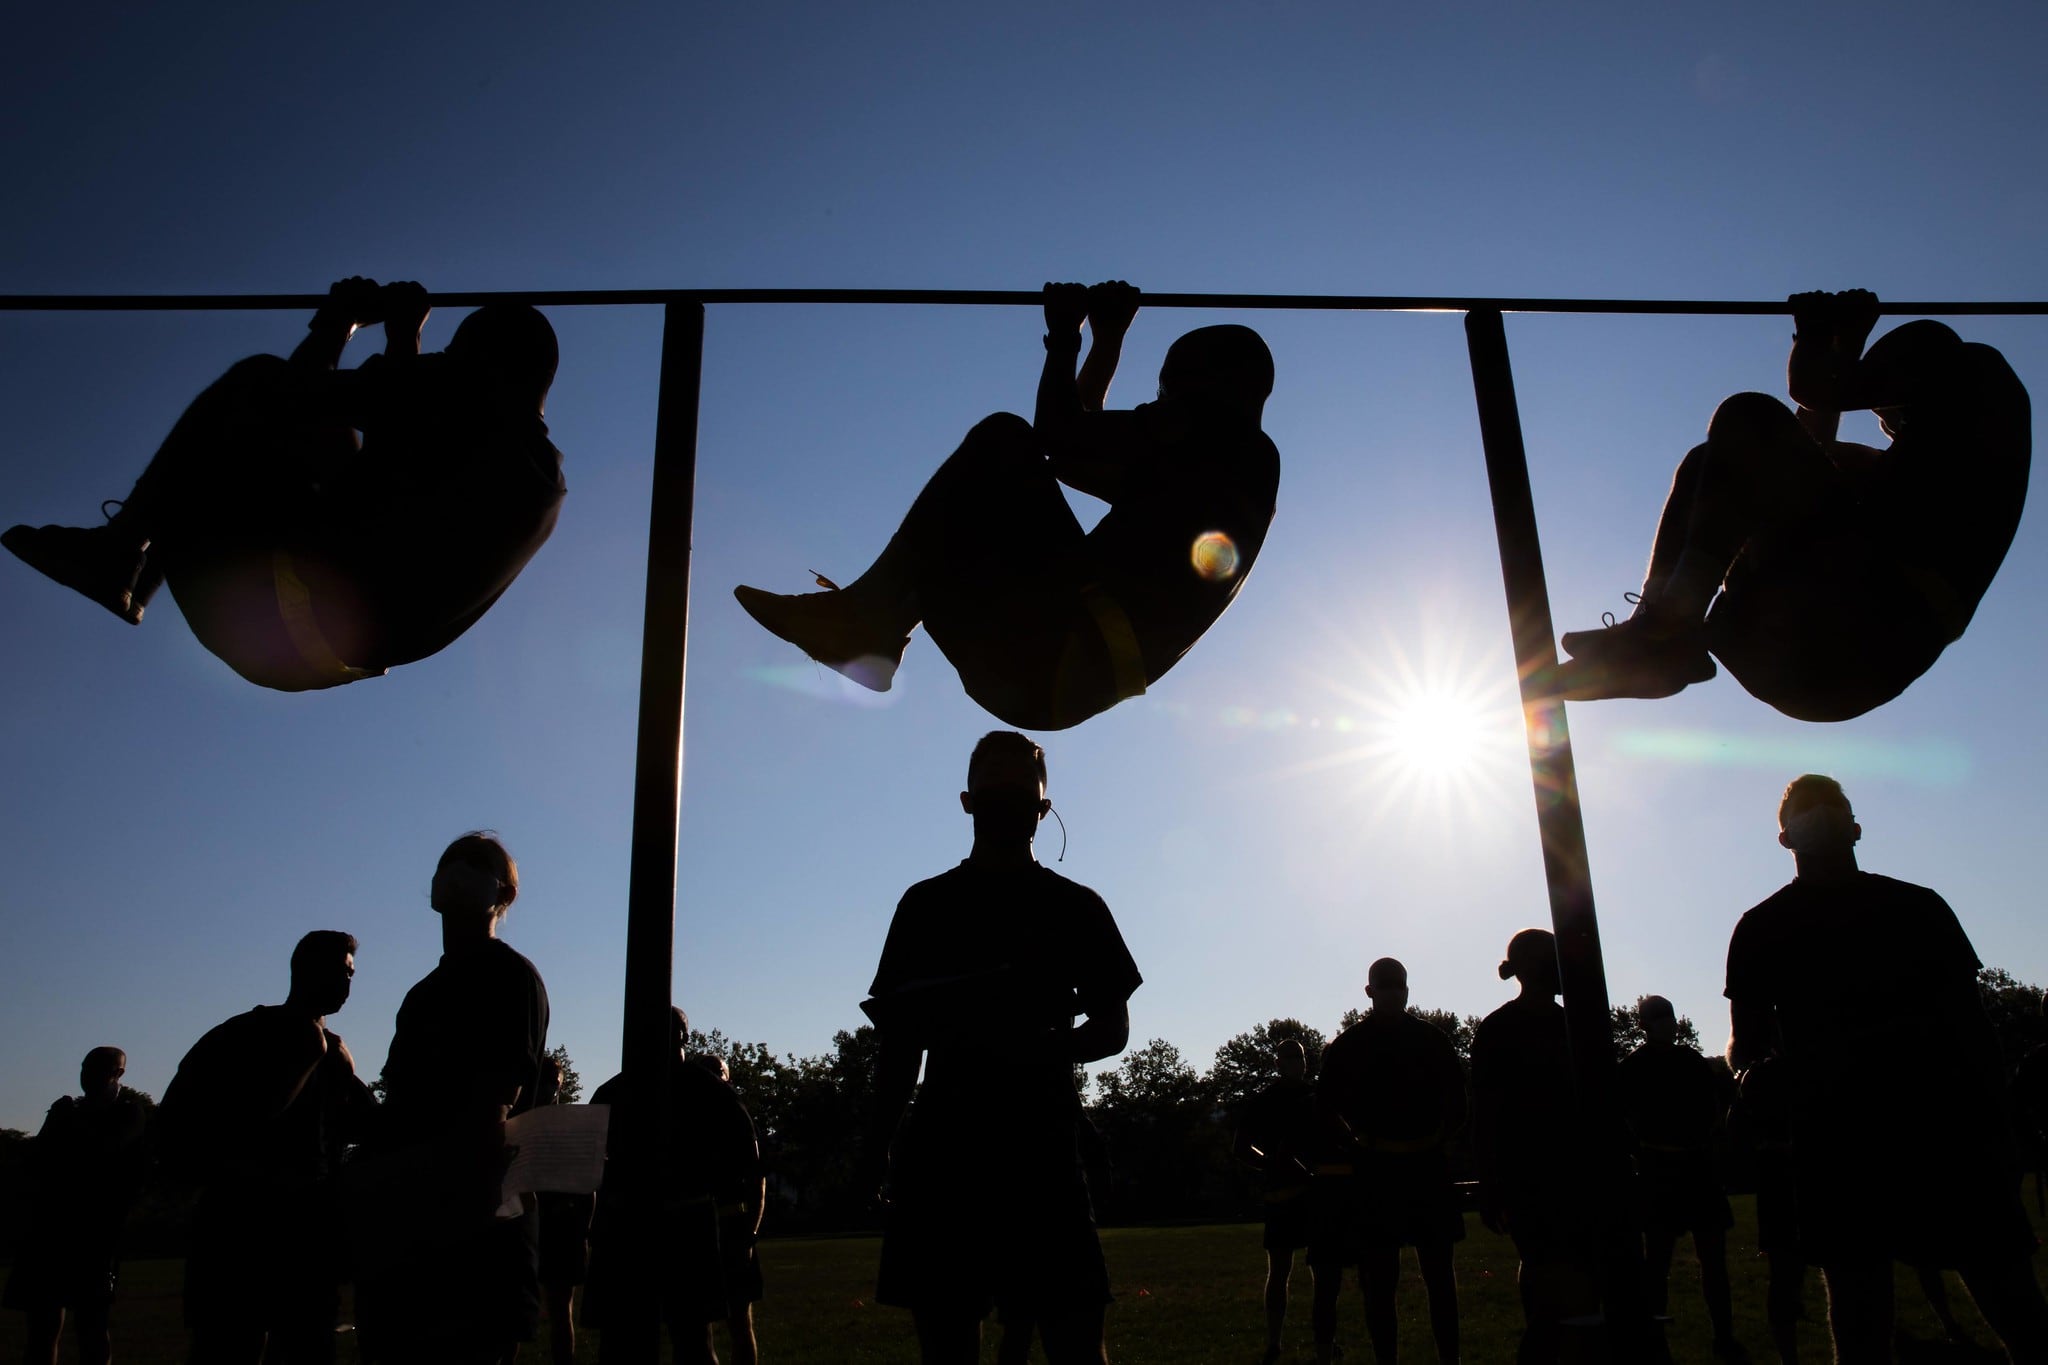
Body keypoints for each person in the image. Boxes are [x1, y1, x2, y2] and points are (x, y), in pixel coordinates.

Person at [735, 281, 1279, 730]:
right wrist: (1107, 341)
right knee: (967, 519)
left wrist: (1066, 336)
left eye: (1165, 396)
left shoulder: (1215, 432)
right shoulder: (1226, 475)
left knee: (1004, 440)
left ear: (1200, 385)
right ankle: (872, 631)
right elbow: (1074, 452)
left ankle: (863, 623)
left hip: (1054, 642)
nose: (1159, 408)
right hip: (1049, 679)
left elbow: (1057, 435)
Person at [3, 277, 566, 691]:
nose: (441, 359)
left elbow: (288, 397)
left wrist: (344, 323)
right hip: (314, 646)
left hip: (276, 613)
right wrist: (400, 351)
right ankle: (133, 566)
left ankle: (119, 551)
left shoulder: (456, 401)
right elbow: (388, 452)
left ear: (480, 365)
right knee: (303, 437)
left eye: (453, 353)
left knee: (256, 384)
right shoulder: (540, 475)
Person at [1554, 290, 2030, 721]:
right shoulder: (1934, 473)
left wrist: (1817, 335)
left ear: (1912, 383)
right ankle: (1659, 629)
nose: (1881, 421)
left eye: (1884, 405)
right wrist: (1847, 346)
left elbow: (1809, 392)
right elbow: (1797, 457)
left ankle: (1669, 630)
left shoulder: (1973, 383)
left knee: (1746, 416)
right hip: (1818, 649)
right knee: (1712, 461)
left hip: (1853, 632)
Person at [1725, 775, 2048, 1363]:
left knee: (2018, 1309)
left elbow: (1974, 1030)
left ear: (1855, 826)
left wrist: (2001, 1129)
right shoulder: (1761, 927)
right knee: (1859, 1318)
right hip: (1839, 1143)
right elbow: (1744, 1047)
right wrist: (1754, 1081)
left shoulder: (1917, 906)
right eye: (1805, 809)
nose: (1821, 814)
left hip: (1946, 1134)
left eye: (1834, 807)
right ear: (1784, 837)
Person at [861, 730, 1143, 1363]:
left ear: (1044, 808)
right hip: (944, 1150)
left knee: (1075, 1343)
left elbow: (1114, 1028)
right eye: (996, 791)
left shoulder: (1076, 906)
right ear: (967, 801)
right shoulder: (925, 905)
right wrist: (877, 1148)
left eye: (1023, 792)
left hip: (1043, 1146)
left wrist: (1041, 1050)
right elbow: (899, 1047)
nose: (1009, 803)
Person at [353, 832, 552, 1365]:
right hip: (405, 1219)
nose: (457, 870)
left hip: (470, 1222)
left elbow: (494, 1107)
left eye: (475, 864)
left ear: (503, 895)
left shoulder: (510, 977)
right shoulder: (422, 993)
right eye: (449, 862)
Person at [157, 929, 375, 1364]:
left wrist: (349, 1079)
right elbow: (177, 1130)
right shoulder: (239, 1038)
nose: (348, 983)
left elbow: (371, 1129)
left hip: (309, 1245)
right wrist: (307, 1060)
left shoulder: (334, 1055)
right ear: (302, 971)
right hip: (236, 1239)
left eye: (352, 973)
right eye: (338, 970)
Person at [586, 1008, 765, 1365]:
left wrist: (747, 1229)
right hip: (646, 1227)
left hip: (673, 1226)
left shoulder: (703, 1090)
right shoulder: (619, 1092)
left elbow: (750, 1164)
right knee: (665, 1339)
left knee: (689, 1339)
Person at [1316, 958, 1466, 1365]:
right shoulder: (1348, 1046)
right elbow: (1325, 1108)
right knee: (1379, 1282)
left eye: (1399, 986)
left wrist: (1440, 1137)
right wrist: (1354, 1143)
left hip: (1424, 1167)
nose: (1393, 993)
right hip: (1377, 1173)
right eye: (1385, 987)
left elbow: (1458, 1101)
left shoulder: (1432, 1040)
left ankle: (1449, 1360)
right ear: (1369, 992)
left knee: (1440, 1277)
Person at [1471, 929, 1600, 1365]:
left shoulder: (1569, 1023)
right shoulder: (1502, 1030)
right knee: (1550, 1288)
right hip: (1532, 1179)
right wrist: (1491, 1185)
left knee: (1572, 1288)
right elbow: (1486, 1114)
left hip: (1568, 1176)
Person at [2, 1047, 148, 1365]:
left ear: (118, 1073)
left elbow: (107, 1152)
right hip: (50, 1227)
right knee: (43, 1326)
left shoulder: (129, 1112)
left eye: (99, 1068)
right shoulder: (72, 1111)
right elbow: (35, 1161)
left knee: (91, 1326)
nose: (87, 1075)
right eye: (85, 1067)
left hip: (94, 1233)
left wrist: (68, 1122)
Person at [1615, 995, 1739, 1359]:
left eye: (1668, 1015)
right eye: (1659, 1017)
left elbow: (1715, 1106)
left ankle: (1723, 1333)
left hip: (1695, 1168)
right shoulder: (1634, 1067)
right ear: (1646, 1024)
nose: (1667, 1022)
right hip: (1661, 1171)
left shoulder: (1689, 1060)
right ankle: (1655, 1334)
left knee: (1712, 1260)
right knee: (1657, 1261)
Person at [1231, 1039, 1320, 1365]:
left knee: (1322, 1271)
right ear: (1278, 1064)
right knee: (1280, 1269)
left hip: (1315, 1195)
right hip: (1283, 1195)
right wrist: (1272, 1164)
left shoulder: (1316, 1098)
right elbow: (1240, 1148)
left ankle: (1324, 1336)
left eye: (1299, 1057)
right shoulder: (1265, 1102)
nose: (1295, 1062)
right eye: (1288, 1057)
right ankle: (1274, 1341)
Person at [533, 1059, 594, 1365]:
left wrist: (582, 1229)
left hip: (560, 1228)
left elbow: (587, 1188)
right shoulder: (523, 1122)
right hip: (530, 1225)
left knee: (560, 1310)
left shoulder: (570, 1127)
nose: (550, 1088)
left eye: (554, 1081)